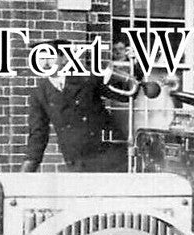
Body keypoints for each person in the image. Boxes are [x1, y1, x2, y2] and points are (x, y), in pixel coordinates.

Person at [22, 38, 132, 172]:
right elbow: (38, 133)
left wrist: (132, 67)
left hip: (108, 155)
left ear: (63, 58)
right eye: (40, 58)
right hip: (76, 160)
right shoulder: (40, 92)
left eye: (50, 57)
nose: (45, 63)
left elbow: (125, 94)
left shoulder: (87, 77)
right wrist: (28, 168)